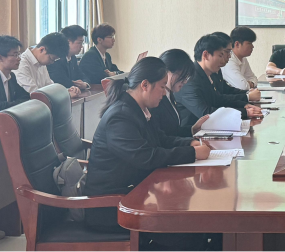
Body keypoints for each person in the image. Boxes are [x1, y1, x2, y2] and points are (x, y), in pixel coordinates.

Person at [83, 57, 215, 250]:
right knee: (186, 230)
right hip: (112, 206)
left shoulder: (138, 108)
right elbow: (146, 157)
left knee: (193, 223)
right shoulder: (120, 115)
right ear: (145, 85)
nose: (164, 92)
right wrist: (192, 154)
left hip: (134, 193)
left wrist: (190, 142)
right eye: (162, 87)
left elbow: (161, 139)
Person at [179, 34, 263, 120]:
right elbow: (205, 113)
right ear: (206, 55)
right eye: (220, 55)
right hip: (193, 127)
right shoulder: (190, 80)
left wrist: (244, 105)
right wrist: (244, 112)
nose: (223, 59)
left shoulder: (206, 74)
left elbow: (218, 100)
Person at [155, 49, 209, 137]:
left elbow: (174, 130)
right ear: (167, 71)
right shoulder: (156, 99)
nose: (185, 81)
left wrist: (192, 130)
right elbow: (163, 137)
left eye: (187, 77)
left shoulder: (170, 94)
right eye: (182, 76)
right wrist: (190, 144)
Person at [14, 33, 80, 98]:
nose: (52, 62)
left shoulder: (41, 62)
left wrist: (66, 91)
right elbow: (34, 94)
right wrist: (64, 95)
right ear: (42, 49)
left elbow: (49, 87)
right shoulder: (21, 64)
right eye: (52, 59)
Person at [48, 25, 90, 91]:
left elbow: (82, 76)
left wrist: (85, 84)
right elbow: (61, 82)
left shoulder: (73, 58)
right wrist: (77, 85)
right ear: (68, 42)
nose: (81, 46)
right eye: (79, 43)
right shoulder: (56, 59)